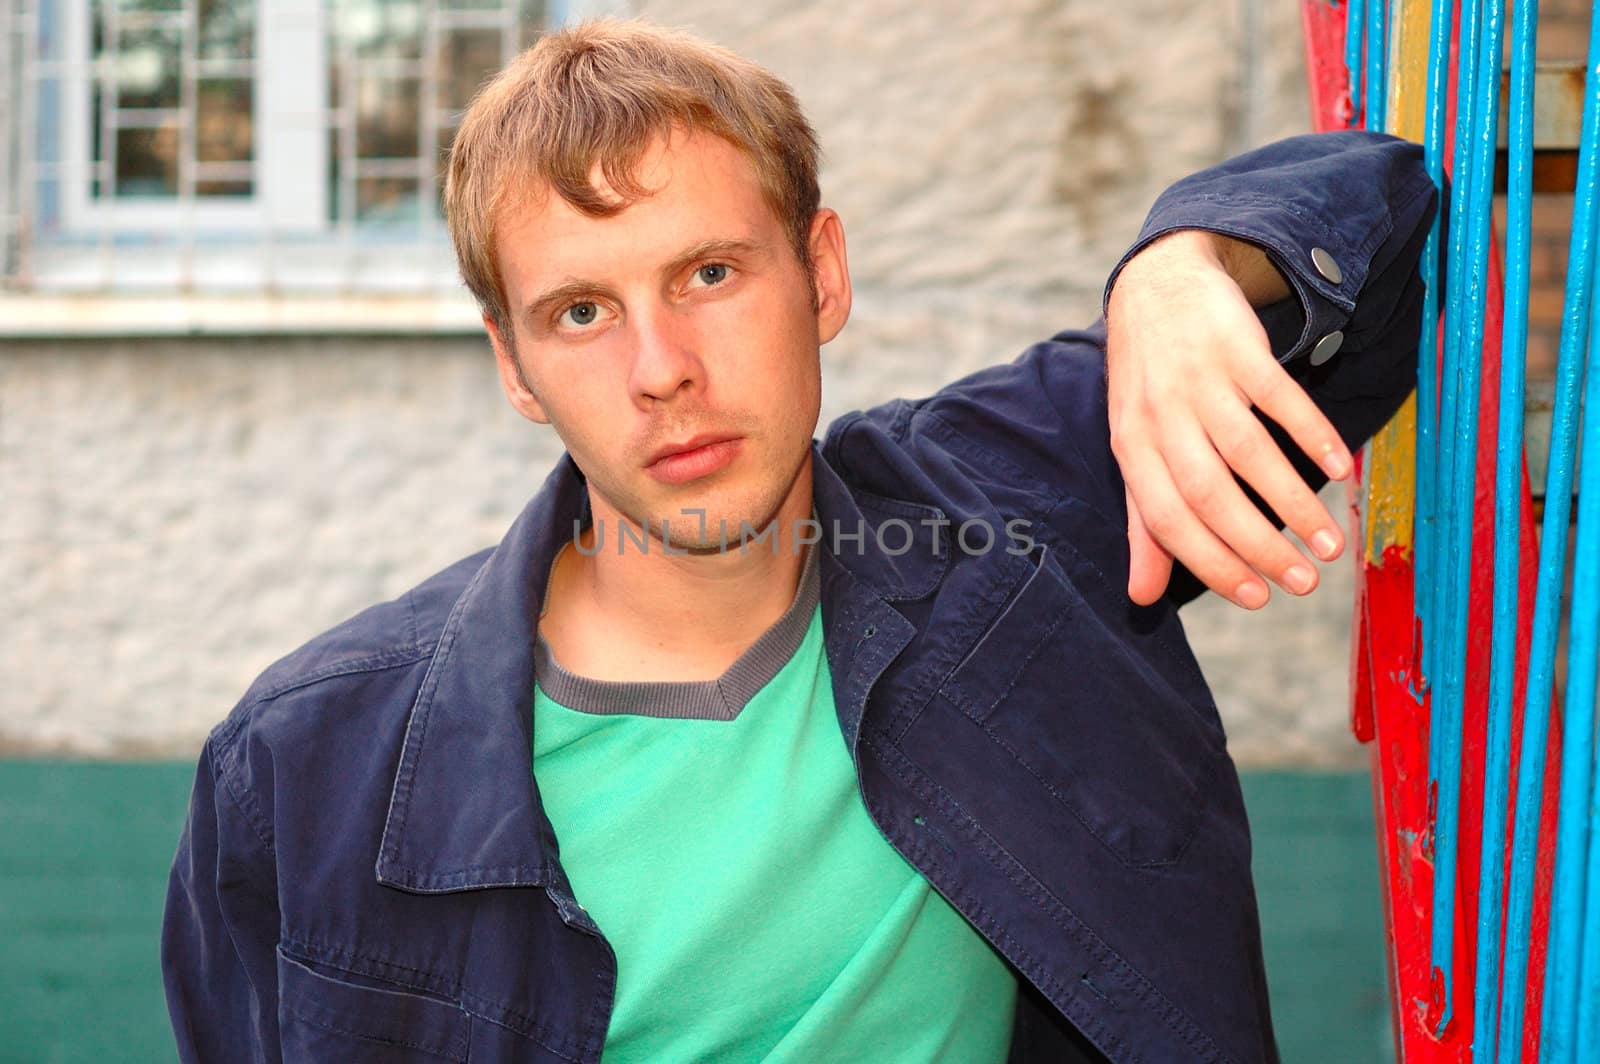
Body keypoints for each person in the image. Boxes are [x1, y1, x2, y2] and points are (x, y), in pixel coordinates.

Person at [161, 18, 1435, 1064]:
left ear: (822, 274)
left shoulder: (1012, 511)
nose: (662, 369)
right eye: (583, 309)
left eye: (711, 273)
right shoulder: (305, 768)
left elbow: (1388, 222)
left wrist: (1178, 265)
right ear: (515, 365)